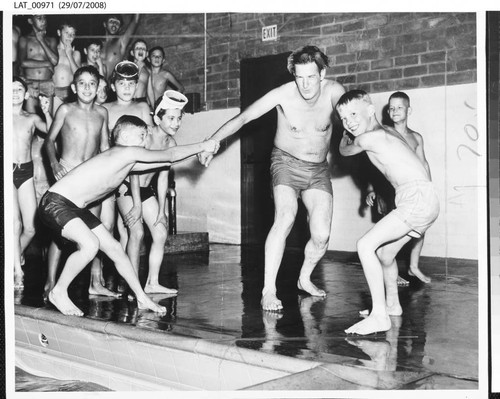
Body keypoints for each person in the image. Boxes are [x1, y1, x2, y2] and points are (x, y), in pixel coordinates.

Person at [198, 45, 345, 311]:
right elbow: (244, 117)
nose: (305, 84)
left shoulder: (335, 92)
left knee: (321, 235)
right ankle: (268, 290)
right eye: (299, 77)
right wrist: (212, 141)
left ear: (322, 74)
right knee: (285, 217)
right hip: (285, 163)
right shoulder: (283, 95)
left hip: (318, 169)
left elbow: (353, 121)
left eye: (311, 77)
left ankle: (304, 278)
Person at [38, 114, 219, 316]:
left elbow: (164, 162)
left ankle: (141, 297)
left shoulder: (125, 160)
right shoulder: (125, 153)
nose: (145, 141)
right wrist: (203, 146)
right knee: (90, 245)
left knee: (115, 249)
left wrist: (197, 152)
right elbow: (168, 155)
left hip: (74, 208)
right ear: (123, 138)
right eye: (141, 135)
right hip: (56, 203)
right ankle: (59, 291)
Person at [337, 89, 439, 335]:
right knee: (384, 254)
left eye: (353, 114)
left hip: (415, 197)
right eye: (343, 118)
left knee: (365, 245)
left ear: (370, 110)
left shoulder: (367, 138)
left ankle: (379, 316)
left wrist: (342, 135)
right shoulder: (388, 131)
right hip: (423, 198)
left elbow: (344, 151)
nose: (349, 121)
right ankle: (392, 305)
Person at [44, 65, 117, 299]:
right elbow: (49, 141)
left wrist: (111, 175)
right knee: (61, 234)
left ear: (98, 88)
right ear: (74, 87)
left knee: (93, 228)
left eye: (92, 83)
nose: (87, 87)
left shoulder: (102, 113)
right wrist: (55, 165)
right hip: (67, 178)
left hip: (91, 181)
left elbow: (105, 148)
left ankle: (95, 281)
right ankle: (51, 280)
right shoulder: (65, 109)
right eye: (82, 83)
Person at [116, 90, 188, 294]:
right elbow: (133, 172)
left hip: (146, 190)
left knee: (160, 232)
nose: (176, 123)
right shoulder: (145, 135)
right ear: (157, 118)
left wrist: (161, 211)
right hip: (127, 188)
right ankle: (133, 286)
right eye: (171, 118)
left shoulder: (171, 143)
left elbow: (163, 177)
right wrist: (137, 206)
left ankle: (152, 283)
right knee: (136, 232)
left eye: (179, 118)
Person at [13, 76, 52, 288]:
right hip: (8, 172)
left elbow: (51, 130)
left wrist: (46, 111)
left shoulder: (30, 118)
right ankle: (17, 271)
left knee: (30, 228)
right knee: (15, 223)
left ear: (26, 94)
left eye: (19, 89)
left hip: (26, 172)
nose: (15, 92)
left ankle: (14, 255)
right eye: (11, 89)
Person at [18, 14, 59, 114]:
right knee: (31, 119)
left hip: (47, 82)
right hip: (30, 83)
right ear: (30, 21)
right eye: (39, 18)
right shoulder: (24, 39)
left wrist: (41, 40)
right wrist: (46, 64)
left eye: (45, 17)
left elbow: (54, 61)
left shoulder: (51, 40)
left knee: (48, 120)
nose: (43, 21)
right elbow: (23, 63)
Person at [53, 20, 81, 113]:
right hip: (55, 93)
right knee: (55, 122)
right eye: (67, 33)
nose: (69, 36)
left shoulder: (76, 54)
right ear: (59, 32)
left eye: (72, 34)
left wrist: (69, 54)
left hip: (71, 93)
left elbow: (79, 75)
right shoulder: (52, 52)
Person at [101, 14, 140, 80]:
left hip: (111, 87)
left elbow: (135, 21)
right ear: (105, 24)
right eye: (111, 21)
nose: (114, 24)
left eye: (117, 23)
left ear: (120, 28)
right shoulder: (97, 45)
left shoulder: (121, 42)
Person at [129, 39, 150, 104]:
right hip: (128, 101)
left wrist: (153, 107)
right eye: (137, 48)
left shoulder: (148, 71)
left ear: (146, 54)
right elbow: (131, 82)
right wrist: (139, 67)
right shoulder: (127, 67)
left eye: (143, 48)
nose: (141, 49)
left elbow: (150, 92)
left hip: (141, 101)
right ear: (132, 53)